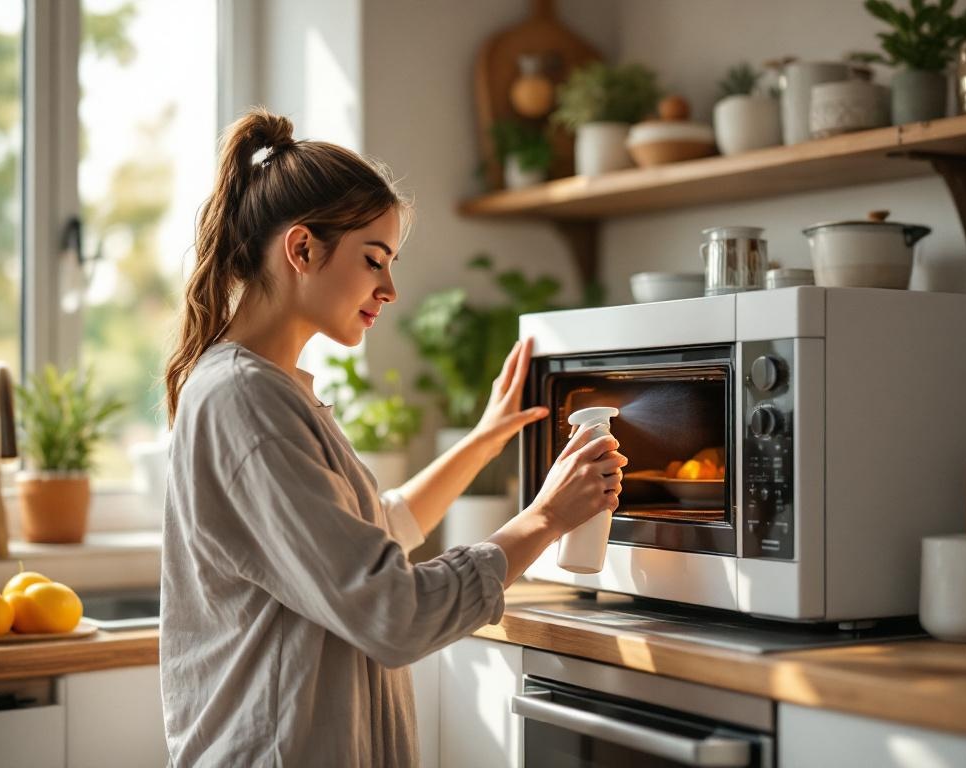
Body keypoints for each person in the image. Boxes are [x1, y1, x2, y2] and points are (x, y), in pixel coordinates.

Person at [160, 107, 627, 767]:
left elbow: (373, 528)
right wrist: (547, 518)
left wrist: (486, 438)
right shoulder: (246, 399)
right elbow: (392, 613)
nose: (390, 288)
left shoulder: (268, 387)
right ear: (302, 249)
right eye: (373, 260)